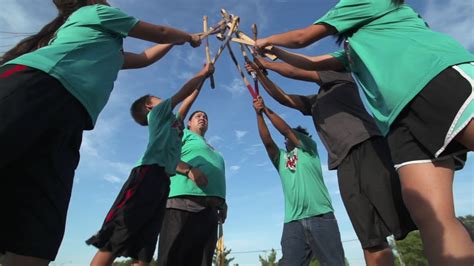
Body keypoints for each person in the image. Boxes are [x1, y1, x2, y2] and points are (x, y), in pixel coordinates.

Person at [255, 0, 474, 264]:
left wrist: (267, 42)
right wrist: (268, 61)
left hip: (435, 76)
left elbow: (303, 43)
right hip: (397, 121)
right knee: (433, 220)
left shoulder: (367, 5)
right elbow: (305, 67)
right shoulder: (352, 53)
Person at [0, 1, 202, 264]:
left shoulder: (110, 49)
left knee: (36, 231)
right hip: (36, 84)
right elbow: (161, 32)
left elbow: (144, 57)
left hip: (72, 117)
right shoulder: (95, 12)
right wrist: (186, 36)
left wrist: (178, 42)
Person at [246, 58, 416, 265]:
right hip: (342, 163)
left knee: (413, 218)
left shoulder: (341, 77)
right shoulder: (314, 102)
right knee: (371, 237)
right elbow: (282, 98)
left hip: (368, 146)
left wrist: (265, 65)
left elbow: (294, 74)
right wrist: (261, 78)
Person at [86, 63, 214, 266]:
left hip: (163, 182)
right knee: (116, 236)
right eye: (157, 98)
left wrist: (202, 80)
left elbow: (187, 101)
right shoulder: (157, 115)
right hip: (146, 175)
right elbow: (183, 92)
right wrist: (202, 72)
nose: (162, 100)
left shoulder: (173, 124)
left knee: (145, 247)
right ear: (150, 106)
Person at [252, 96, 345, 266]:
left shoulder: (309, 150)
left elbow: (286, 130)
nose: (286, 139)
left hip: (321, 217)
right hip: (293, 223)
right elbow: (267, 141)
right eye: (286, 139)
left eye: (292, 137)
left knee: (334, 263)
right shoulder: (280, 158)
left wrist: (265, 109)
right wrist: (258, 114)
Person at [157, 108, 227, 266]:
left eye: (205, 116)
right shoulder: (184, 135)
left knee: (202, 262)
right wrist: (188, 169)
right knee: (172, 260)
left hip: (209, 212)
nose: (203, 117)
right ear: (189, 123)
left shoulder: (211, 148)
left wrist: (223, 202)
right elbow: (162, 154)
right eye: (198, 116)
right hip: (182, 205)